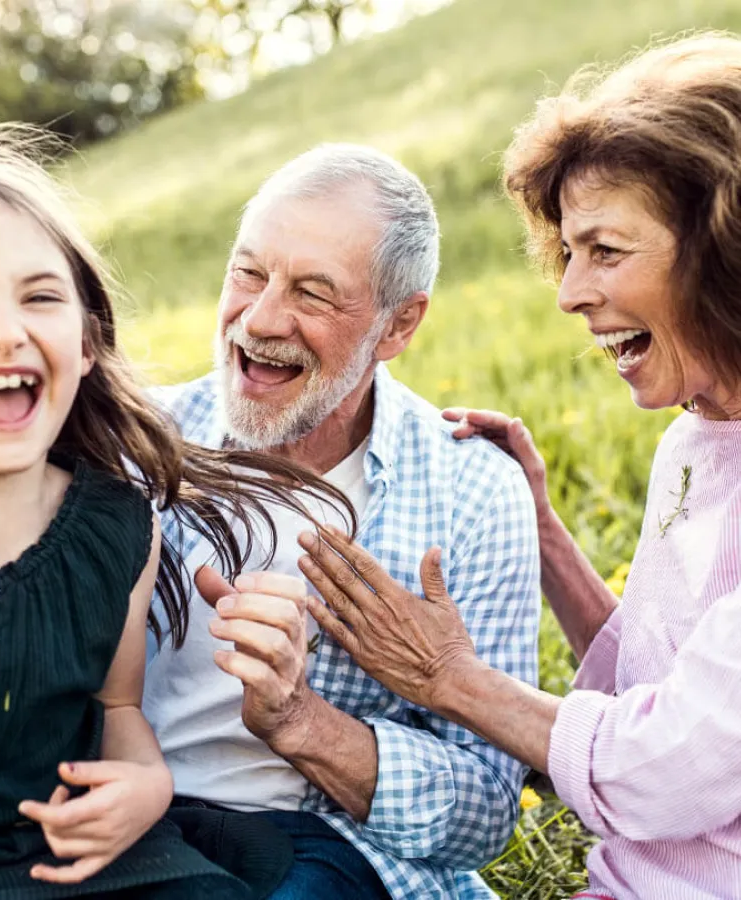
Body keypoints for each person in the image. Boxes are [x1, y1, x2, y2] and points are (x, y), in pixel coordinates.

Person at [0, 125, 351, 900]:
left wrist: (145, 785)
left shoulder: (119, 527)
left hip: (74, 863)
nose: (5, 330)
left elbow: (118, 708)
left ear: (85, 343)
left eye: (40, 297)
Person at [297, 32, 741, 900]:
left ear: (723, 245)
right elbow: (655, 682)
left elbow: (669, 766)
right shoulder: (699, 435)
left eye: (606, 251)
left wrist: (446, 679)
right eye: (569, 253)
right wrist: (546, 536)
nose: (572, 291)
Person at [143, 144, 542, 900]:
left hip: (320, 852)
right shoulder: (134, 444)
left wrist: (299, 721)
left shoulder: (472, 492)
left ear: (399, 325)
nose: (261, 319)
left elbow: (486, 810)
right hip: (125, 816)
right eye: (248, 272)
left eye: (313, 294)